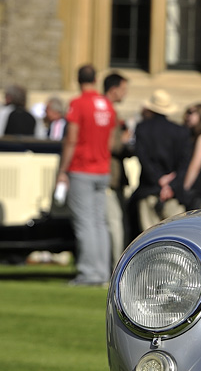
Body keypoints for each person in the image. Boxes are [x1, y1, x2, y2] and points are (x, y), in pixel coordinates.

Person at [55, 64, 116, 286]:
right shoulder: (107, 105)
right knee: (100, 222)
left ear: (78, 79)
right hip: (102, 168)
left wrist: (63, 170)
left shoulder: (78, 104)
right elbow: (110, 139)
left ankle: (89, 273)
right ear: (96, 78)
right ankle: (102, 271)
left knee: (85, 223)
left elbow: (71, 138)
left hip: (82, 167)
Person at [129, 89, 191, 234]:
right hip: (173, 194)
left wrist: (159, 180)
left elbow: (143, 158)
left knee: (148, 238)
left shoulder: (142, 129)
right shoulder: (181, 131)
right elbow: (184, 164)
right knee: (175, 237)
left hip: (149, 189)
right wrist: (170, 185)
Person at [103, 72, 131, 261]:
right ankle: (115, 267)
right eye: (123, 90)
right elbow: (111, 145)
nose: (125, 94)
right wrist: (126, 139)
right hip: (109, 176)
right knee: (114, 222)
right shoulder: (108, 112)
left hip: (112, 176)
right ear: (113, 90)